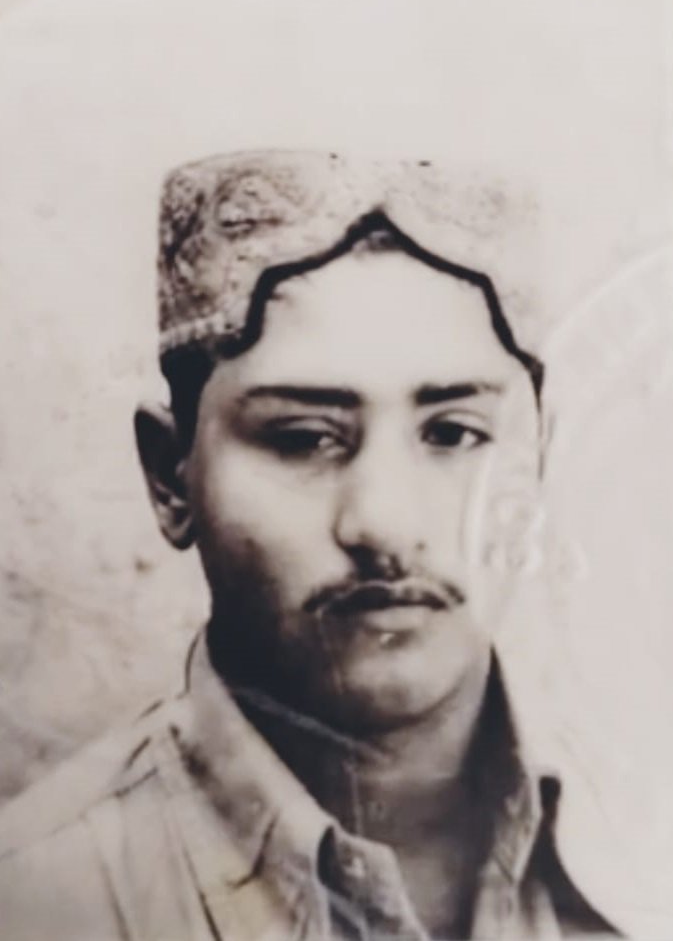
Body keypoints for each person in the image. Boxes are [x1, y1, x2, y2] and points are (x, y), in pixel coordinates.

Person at [0, 151, 621, 940]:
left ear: (540, 464)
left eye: (453, 434)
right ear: (169, 478)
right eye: (302, 438)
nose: (384, 526)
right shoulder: (34, 899)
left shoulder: (651, 848)